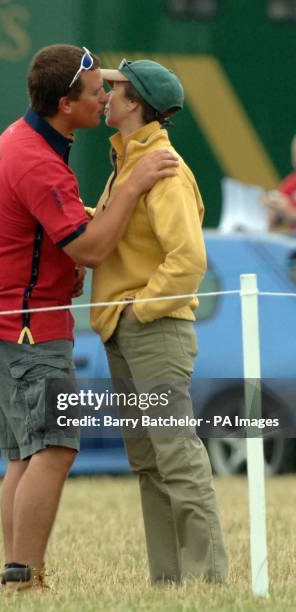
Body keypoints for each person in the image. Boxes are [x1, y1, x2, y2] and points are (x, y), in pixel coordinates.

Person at [0, 44, 179, 594]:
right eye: (95, 92)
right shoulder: (38, 161)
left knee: (24, 453)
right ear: (65, 103)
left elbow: (48, 235)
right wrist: (132, 185)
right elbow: (91, 249)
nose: (106, 96)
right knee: (55, 448)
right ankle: (25, 579)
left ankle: (16, 571)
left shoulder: (22, 137)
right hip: (25, 327)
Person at [90, 59, 228, 584]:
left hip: (153, 330)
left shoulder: (163, 166)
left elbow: (188, 259)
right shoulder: (128, 162)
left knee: (176, 457)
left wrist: (140, 308)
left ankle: (208, 583)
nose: (106, 94)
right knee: (150, 462)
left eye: (115, 88)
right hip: (128, 331)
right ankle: (169, 583)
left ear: (135, 103)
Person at [264, 134, 296, 230]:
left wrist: (290, 213)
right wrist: (273, 211)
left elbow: (290, 214)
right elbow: (278, 202)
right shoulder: (292, 182)